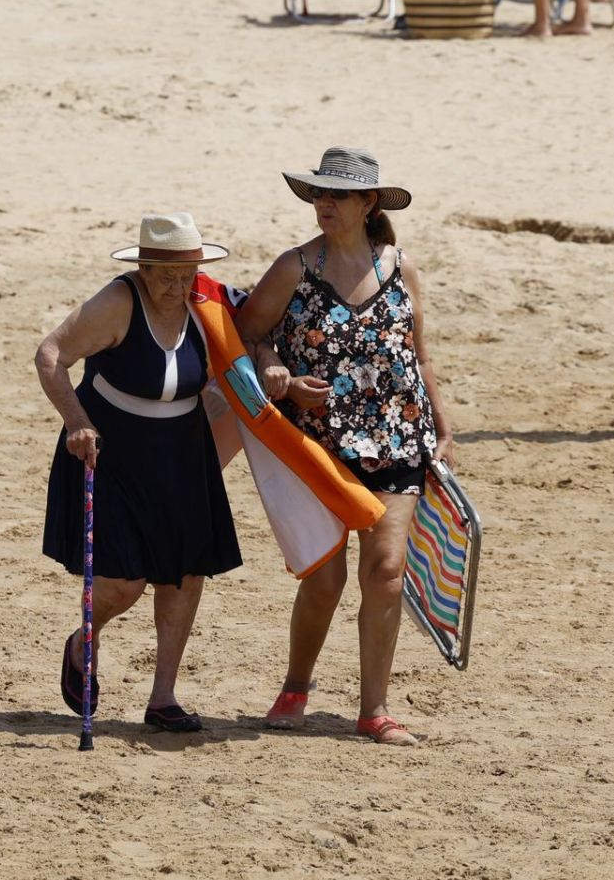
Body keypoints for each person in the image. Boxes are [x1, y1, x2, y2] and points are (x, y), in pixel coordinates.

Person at [234, 148, 457, 747]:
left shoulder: (402, 269)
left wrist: (442, 424)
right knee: (326, 579)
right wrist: (275, 367)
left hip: (398, 436)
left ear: (368, 205)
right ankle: (296, 686)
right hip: (318, 442)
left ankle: (375, 710)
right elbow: (248, 333)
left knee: (385, 572)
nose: (323, 204)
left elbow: (419, 354)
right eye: (317, 195)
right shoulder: (293, 268)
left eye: (335, 196)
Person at [36, 213, 242, 733]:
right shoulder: (117, 302)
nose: (178, 286)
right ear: (144, 268)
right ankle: (86, 637)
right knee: (123, 584)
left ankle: (164, 697)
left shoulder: (208, 301)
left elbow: (255, 340)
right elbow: (50, 355)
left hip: (182, 455)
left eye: (187, 274)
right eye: (166, 275)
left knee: (184, 573)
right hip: (111, 453)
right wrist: (76, 423)